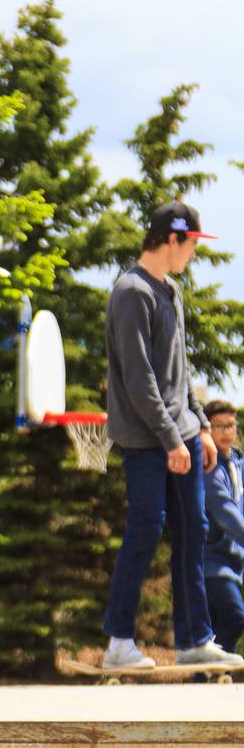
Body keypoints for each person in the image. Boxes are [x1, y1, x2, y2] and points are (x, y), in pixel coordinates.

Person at [101, 200, 243, 671]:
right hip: (147, 441)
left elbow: (178, 373)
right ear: (172, 239)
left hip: (180, 435)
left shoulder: (172, 292)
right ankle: (119, 642)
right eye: (192, 245)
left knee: (195, 531)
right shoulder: (130, 293)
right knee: (145, 530)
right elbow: (140, 380)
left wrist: (200, 425)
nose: (193, 255)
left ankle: (193, 640)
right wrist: (171, 439)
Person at [202, 400, 244, 655]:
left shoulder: (238, 462)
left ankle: (202, 676)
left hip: (234, 562)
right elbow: (225, 512)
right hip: (212, 560)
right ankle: (212, 665)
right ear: (208, 430)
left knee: (217, 624)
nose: (227, 431)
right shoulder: (209, 467)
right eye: (219, 426)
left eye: (230, 425)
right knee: (235, 616)